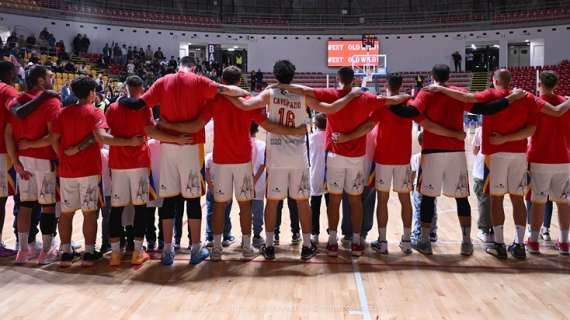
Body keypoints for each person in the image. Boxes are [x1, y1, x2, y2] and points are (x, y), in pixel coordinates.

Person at [159, 65, 310, 261]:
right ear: (240, 82)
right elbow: (268, 125)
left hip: (221, 159)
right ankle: (247, 247)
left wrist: (169, 126)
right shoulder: (248, 101)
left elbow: (196, 125)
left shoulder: (214, 100)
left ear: (222, 79)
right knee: (245, 206)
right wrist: (296, 131)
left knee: (220, 206)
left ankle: (216, 249)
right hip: (242, 159)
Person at [117, 56, 249, 266]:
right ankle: (195, 249)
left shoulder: (162, 81)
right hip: (191, 146)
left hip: (168, 146)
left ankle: (168, 251)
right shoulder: (199, 81)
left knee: (168, 201)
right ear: (194, 67)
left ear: (178, 65)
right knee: (193, 199)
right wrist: (244, 92)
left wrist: (124, 101)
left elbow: (138, 104)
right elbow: (226, 90)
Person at [227, 61, 363, 260]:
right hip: (298, 157)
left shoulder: (269, 94)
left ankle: (269, 245)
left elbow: (244, 104)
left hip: (277, 157)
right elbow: (332, 109)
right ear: (293, 76)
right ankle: (307, 246)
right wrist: (350, 95)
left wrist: (226, 91)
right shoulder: (302, 95)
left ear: (275, 75)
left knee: (272, 202)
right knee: (302, 202)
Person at [431, 68, 570, 259]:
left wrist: (441, 89)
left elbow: (467, 97)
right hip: (520, 155)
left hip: (495, 155)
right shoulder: (525, 96)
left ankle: (499, 243)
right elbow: (534, 127)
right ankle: (520, 244)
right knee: (517, 199)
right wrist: (508, 138)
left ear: (494, 81)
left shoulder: (490, 94)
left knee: (496, 199)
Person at [276, 67, 410, 257]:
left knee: (335, 199)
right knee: (356, 200)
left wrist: (280, 85)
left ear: (338, 78)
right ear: (354, 79)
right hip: (356, 158)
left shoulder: (332, 94)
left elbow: (304, 90)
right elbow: (393, 100)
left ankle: (332, 241)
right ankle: (356, 241)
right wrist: (406, 95)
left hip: (335, 157)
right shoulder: (366, 98)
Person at [396, 65, 527, 256]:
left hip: (432, 151)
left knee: (428, 197)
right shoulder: (459, 92)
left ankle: (424, 240)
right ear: (449, 77)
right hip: (456, 151)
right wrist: (510, 99)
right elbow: (487, 109)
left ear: (432, 77)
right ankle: (466, 242)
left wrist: (390, 103)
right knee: (461, 198)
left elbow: (410, 113)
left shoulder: (426, 92)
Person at [334, 73, 465, 254]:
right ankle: (405, 241)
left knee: (382, 201)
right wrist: (454, 134)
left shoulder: (382, 107)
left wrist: (346, 137)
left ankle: (383, 241)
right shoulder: (409, 105)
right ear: (401, 84)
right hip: (403, 160)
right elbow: (430, 125)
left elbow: (366, 127)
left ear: (386, 84)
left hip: (383, 160)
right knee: (405, 200)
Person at [50, 76, 109, 267]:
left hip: (67, 171)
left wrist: (63, 155)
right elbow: (100, 138)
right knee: (90, 213)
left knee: (66, 213)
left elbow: (53, 139)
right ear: (92, 93)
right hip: (89, 170)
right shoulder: (96, 113)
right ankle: (89, 252)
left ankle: (66, 252)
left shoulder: (62, 112)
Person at [6, 66, 60, 265]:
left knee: (25, 205)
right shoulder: (52, 101)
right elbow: (52, 136)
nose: (52, 78)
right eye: (49, 76)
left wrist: (16, 162)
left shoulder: (16, 100)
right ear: (40, 81)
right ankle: (46, 251)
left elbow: (8, 134)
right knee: (47, 206)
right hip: (44, 159)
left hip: (24, 161)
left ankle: (23, 250)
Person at [526, 71, 570, 255]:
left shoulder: (535, 103)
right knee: (564, 202)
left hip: (540, 159)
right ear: (557, 84)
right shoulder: (566, 103)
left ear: (539, 84)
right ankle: (564, 242)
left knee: (538, 202)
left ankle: (534, 241)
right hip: (563, 159)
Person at [0, 61, 19, 255]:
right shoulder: (8, 92)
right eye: (14, 72)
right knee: (0, 199)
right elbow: (19, 113)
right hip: (2, 152)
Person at [410, 131, 438, 243]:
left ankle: (417, 233)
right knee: (433, 209)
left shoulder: (416, 157)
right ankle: (432, 233)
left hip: (419, 187)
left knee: (418, 210)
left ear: (419, 143)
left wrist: (410, 185)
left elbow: (412, 173)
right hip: (432, 186)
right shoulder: (435, 157)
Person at [204, 151, 235, 248]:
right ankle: (210, 238)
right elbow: (206, 172)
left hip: (224, 191)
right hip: (213, 191)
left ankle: (226, 237)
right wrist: (211, 187)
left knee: (224, 215)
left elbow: (232, 175)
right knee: (211, 214)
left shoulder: (229, 156)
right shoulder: (209, 157)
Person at [309, 113, 328, 243]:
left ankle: (314, 233)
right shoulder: (331, 136)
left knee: (315, 206)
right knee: (331, 206)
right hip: (329, 175)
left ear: (316, 124)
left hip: (315, 174)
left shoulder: (312, 137)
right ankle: (332, 231)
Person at [472, 126, 493, 244]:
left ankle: (484, 230)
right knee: (495, 201)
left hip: (481, 171)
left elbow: (474, 151)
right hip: (497, 170)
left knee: (483, 201)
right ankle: (495, 231)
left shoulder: (481, 129)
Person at [250, 122, 265, 248]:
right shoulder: (262, 145)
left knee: (244, 211)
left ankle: (246, 237)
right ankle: (256, 236)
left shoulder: (242, 144)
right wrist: (254, 180)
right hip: (258, 184)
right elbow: (262, 165)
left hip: (243, 183)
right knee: (258, 212)